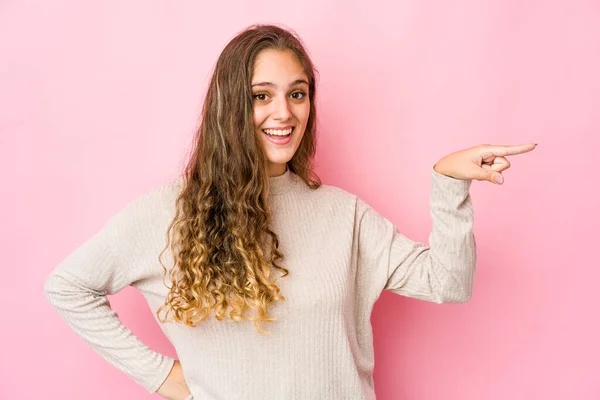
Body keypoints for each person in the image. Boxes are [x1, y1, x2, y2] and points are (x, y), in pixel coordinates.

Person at [43, 24, 536, 400]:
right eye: (262, 96)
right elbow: (68, 286)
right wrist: (162, 377)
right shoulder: (165, 214)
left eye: (297, 94)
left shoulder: (344, 216)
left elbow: (449, 283)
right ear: (231, 105)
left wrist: (449, 183)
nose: (285, 112)